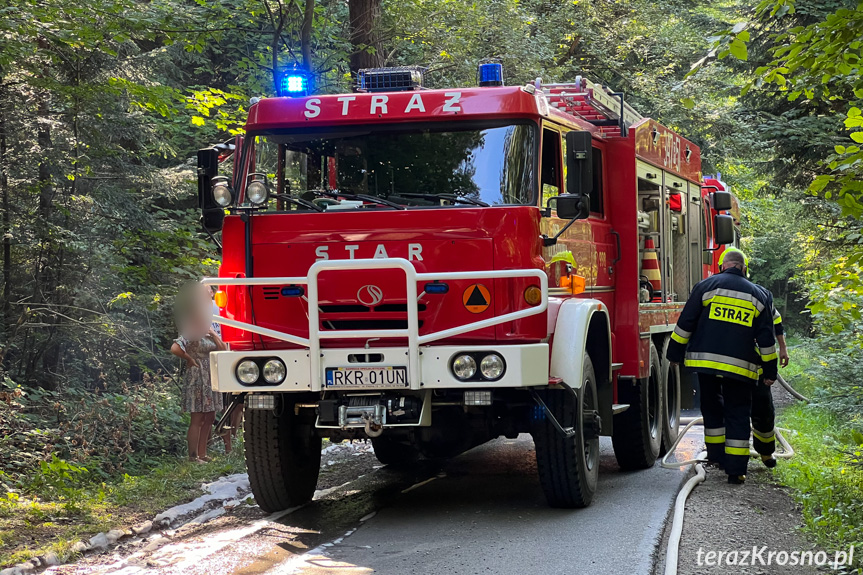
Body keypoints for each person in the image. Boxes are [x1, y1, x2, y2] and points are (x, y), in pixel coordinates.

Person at [666, 249, 778, 484]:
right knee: (738, 411)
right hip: (740, 367)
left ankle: (716, 457)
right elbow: (767, 339)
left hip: (705, 362)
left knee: (711, 407)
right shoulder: (759, 295)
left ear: (722, 266)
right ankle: (736, 471)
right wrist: (770, 371)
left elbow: (686, 323)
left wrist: (674, 353)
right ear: (744, 268)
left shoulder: (706, 286)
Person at [716, 248, 790, 469]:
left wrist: (783, 348)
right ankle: (729, 456)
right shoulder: (717, 294)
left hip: (756, 364)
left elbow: (775, 323)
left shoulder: (760, 295)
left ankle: (766, 453)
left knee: (763, 411)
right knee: (734, 410)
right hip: (736, 365)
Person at [171, 283, 228, 462]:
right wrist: (189, 359)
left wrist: (214, 335)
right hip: (197, 375)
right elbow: (175, 347)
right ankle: (193, 456)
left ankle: (203, 453)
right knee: (197, 417)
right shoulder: (191, 329)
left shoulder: (208, 329)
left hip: (211, 373)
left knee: (210, 416)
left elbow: (223, 349)